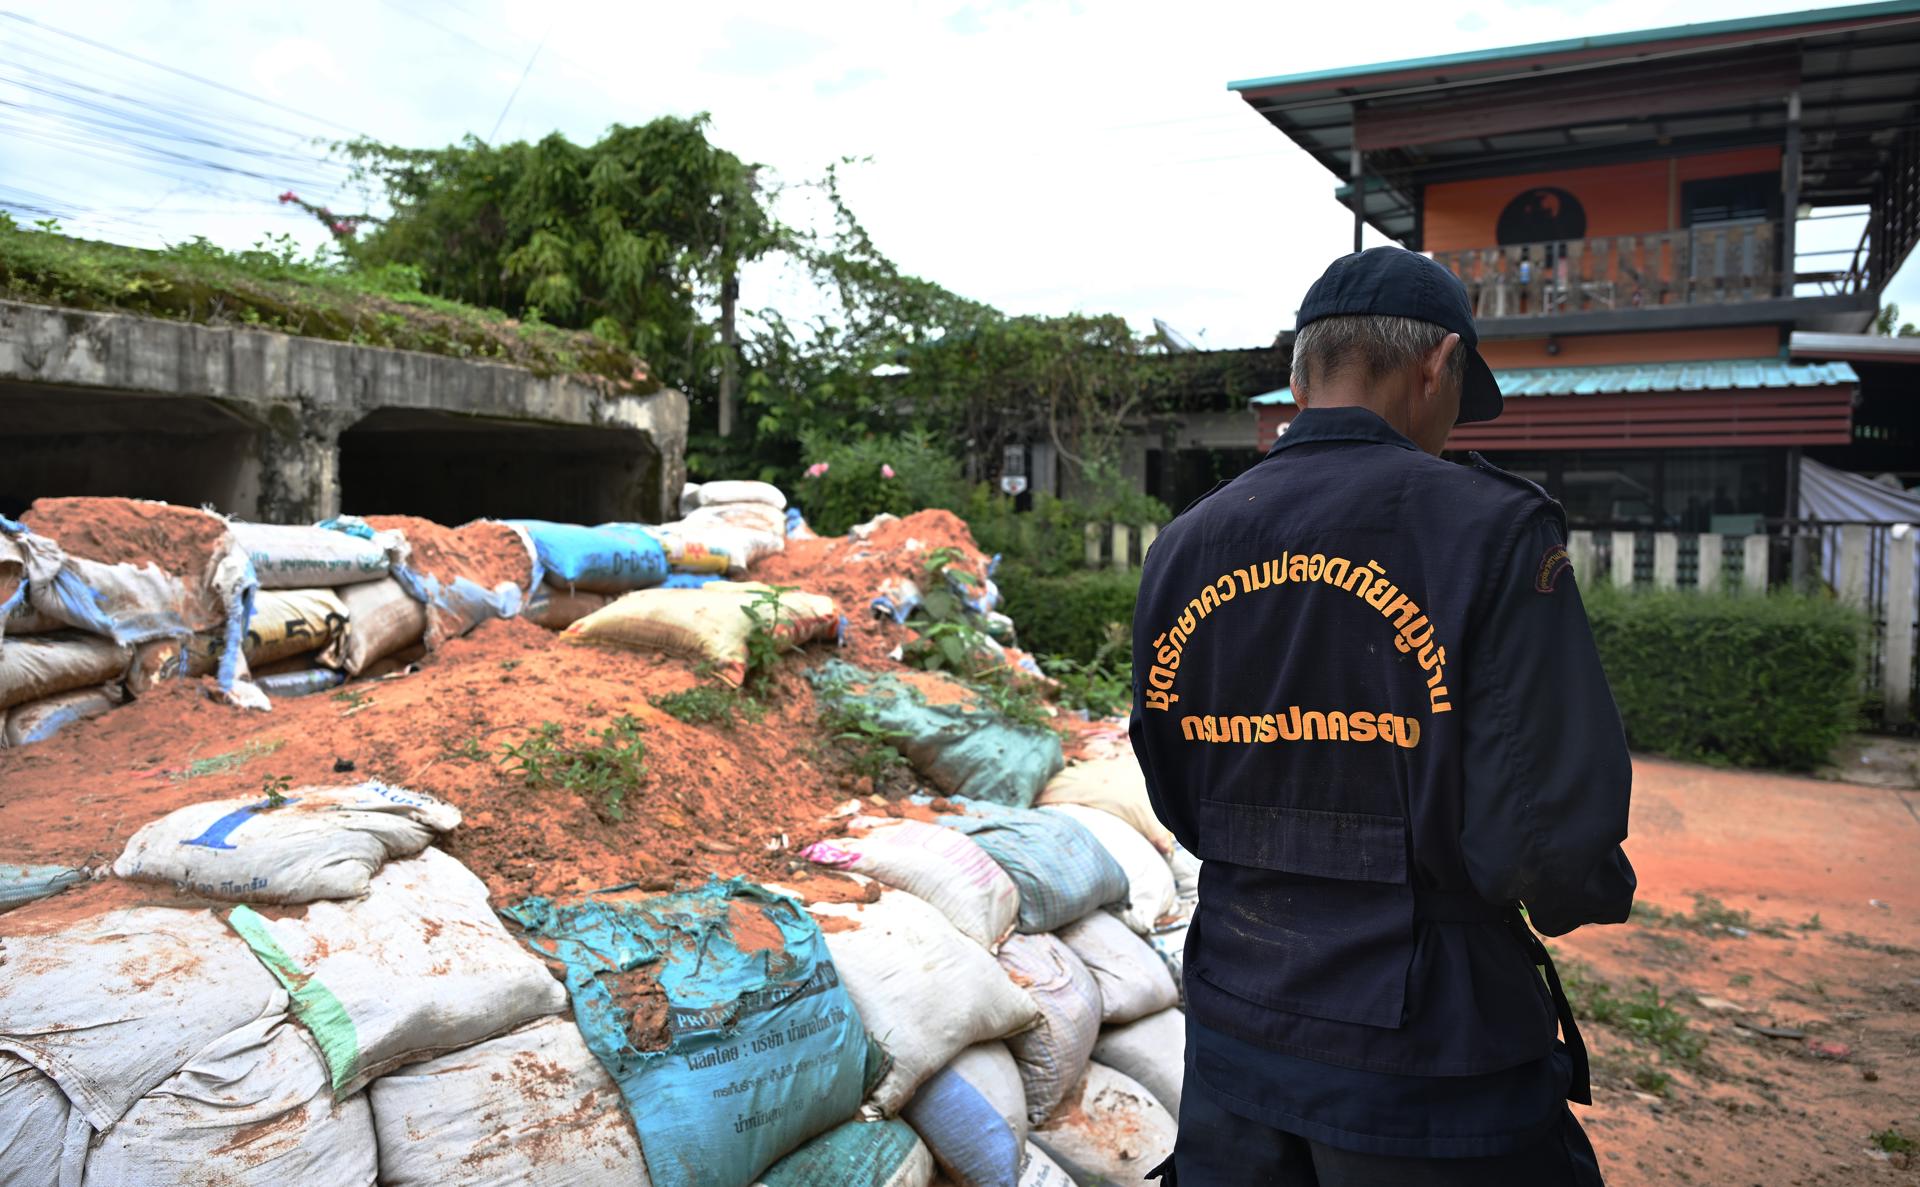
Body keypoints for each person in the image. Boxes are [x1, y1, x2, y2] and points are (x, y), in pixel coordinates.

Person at [1131, 247, 1635, 1186]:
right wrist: (1583, 891)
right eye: (1459, 396)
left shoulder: (1185, 544)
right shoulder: (1489, 531)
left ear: (1300, 377)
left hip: (1237, 1032)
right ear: (1438, 365)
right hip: (1434, 1066)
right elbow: (1551, 836)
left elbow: (1175, 786)